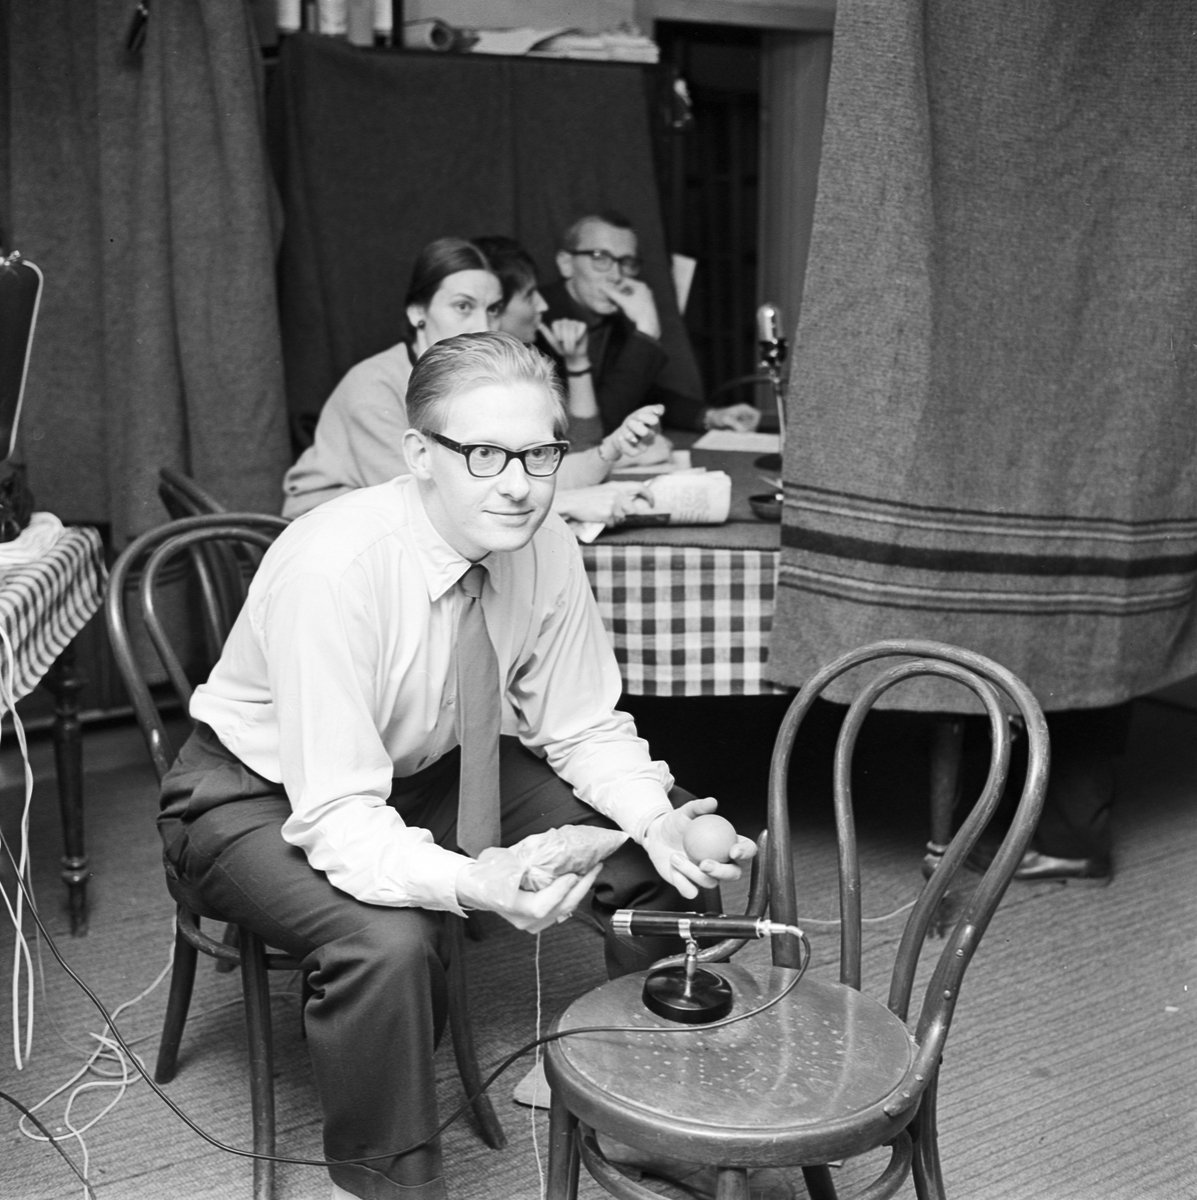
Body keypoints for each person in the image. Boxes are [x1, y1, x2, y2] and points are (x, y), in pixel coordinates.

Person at [159, 331, 757, 1200]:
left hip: (427, 767)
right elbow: (338, 814)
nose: (517, 484)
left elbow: (582, 724)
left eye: (541, 453)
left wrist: (657, 817)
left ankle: (643, 1116)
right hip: (249, 794)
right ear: (419, 455)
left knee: (667, 858)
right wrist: (477, 883)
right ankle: (385, 1183)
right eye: (483, 453)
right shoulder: (335, 569)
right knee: (389, 944)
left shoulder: (542, 539)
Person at [282, 236, 662, 529]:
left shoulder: (479, 386)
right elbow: (423, 502)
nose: (483, 325)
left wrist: (612, 448)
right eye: (463, 306)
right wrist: (570, 503)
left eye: (493, 309)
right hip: (337, 542)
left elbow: (526, 472)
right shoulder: (373, 385)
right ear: (418, 312)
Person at [537, 211, 762, 436]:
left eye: (626, 262)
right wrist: (647, 329)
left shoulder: (609, 318)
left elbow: (638, 393)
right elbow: (595, 426)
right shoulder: (537, 321)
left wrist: (711, 416)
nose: (616, 276)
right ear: (566, 264)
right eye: (600, 258)